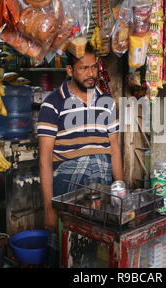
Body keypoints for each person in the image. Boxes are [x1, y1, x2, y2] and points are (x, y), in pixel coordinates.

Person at [38, 43, 124, 233]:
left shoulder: (107, 103)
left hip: (102, 185)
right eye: (84, 68)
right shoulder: (52, 103)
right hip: (68, 187)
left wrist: (120, 192)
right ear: (70, 70)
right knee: (67, 246)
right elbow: (45, 159)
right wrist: (49, 209)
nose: (91, 73)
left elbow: (115, 149)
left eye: (94, 67)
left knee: (98, 245)